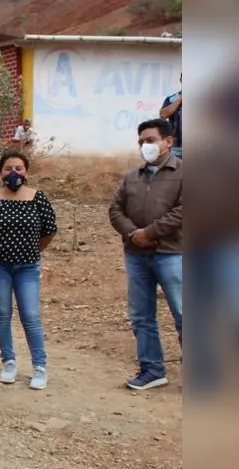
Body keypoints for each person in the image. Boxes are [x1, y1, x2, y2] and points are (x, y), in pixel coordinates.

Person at [0, 151, 58, 389]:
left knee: (30, 316)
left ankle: (39, 367)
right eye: (8, 168)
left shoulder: (38, 198)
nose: (13, 173)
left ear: (26, 171)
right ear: (0, 173)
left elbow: (48, 231)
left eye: (18, 168)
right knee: (2, 313)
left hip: (27, 267)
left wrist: (33, 250)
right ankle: (8, 362)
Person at [108, 118, 182, 391]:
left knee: (185, 313)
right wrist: (132, 233)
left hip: (172, 253)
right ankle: (152, 370)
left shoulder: (186, 173)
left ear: (168, 142)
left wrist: (150, 232)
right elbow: (115, 210)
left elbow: (184, 211)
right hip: (136, 254)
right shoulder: (132, 177)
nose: (145, 146)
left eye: (150, 140)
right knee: (141, 316)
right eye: (141, 142)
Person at [160, 73, 183, 159]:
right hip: (176, 147)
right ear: (181, 81)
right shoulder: (171, 99)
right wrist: (180, 99)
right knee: (174, 171)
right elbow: (163, 115)